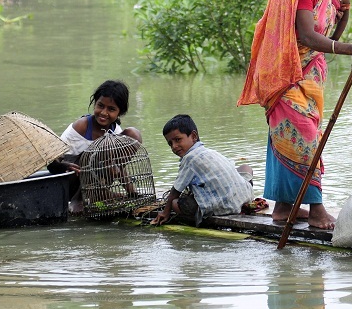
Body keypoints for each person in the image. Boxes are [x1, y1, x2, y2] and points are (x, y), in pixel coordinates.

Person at [237, 0, 352, 230]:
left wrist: (345, 19)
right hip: (289, 74)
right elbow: (307, 36)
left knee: (288, 137)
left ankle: (284, 209)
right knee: (305, 140)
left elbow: (327, 34)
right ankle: (316, 210)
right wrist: (349, 48)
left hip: (307, 75)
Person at [51, 79, 143, 214]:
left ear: (119, 112)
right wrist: (64, 165)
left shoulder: (115, 130)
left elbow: (118, 166)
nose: (104, 113)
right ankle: (78, 200)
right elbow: (51, 162)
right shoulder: (81, 126)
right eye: (100, 106)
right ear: (95, 103)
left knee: (133, 134)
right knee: (101, 148)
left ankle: (100, 193)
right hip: (70, 179)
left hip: (94, 181)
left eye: (111, 109)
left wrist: (131, 191)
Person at [150, 114, 254, 226]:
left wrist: (165, 212)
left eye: (178, 140)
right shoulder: (209, 151)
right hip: (245, 197)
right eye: (170, 143)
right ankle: (241, 193)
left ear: (194, 136)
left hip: (225, 207)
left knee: (175, 204)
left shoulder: (190, 158)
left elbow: (175, 191)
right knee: (245, 168)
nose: (174, 146)